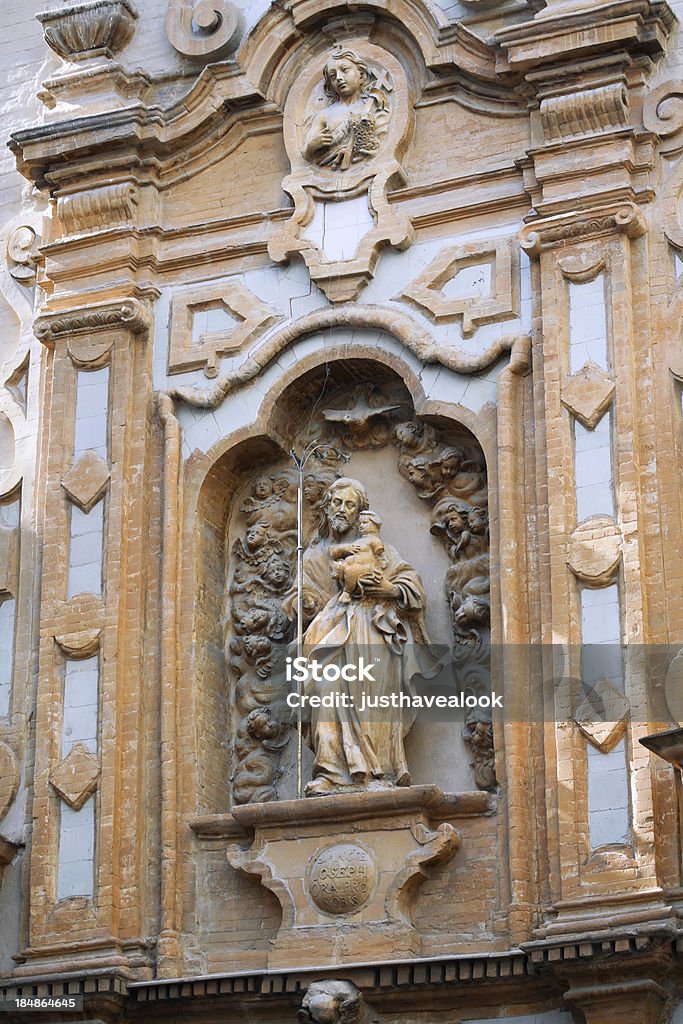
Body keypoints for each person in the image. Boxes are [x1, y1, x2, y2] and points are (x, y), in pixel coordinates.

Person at [283, 477, 437, 796]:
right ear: (326, 508)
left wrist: (387, 589)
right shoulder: (312, 556)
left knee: (372, 702)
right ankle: (330, 771)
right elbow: (298, 596)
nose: (342, 509)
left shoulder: (377, 550)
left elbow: (413, 588)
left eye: (349, 504)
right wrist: (303, 602)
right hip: (328, 634)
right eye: (336, 503)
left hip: (372, 634)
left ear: (360, 513)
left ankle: (379, 772)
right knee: (323, 689)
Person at [302, 48, 390, 171]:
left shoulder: (372, 105)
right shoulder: (324, 115)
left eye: (344, 70)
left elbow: (381, 138)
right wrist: (311, 146)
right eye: (333, 76)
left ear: (361, 75)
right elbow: (306, 154)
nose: (338, 77)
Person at [329, 510, 387, 604]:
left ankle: (346, 593)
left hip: (365, 567)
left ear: (375, 525)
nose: (361, 525)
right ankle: (339, 571)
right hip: (350, 564)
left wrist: (380, 565)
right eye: (360, 523)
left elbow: (380, 554)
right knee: (341, 566)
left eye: (365, 523)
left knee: (352, 571)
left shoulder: (374, 540)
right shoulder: (359, 541)